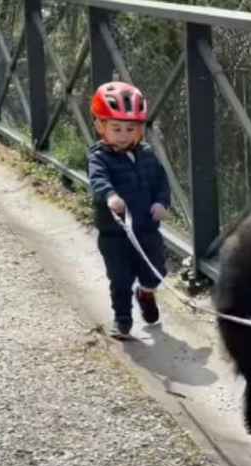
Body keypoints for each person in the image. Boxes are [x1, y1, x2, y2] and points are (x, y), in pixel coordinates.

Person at [88, 81, 169, 338]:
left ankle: (146, 292)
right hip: (115, 234)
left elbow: (161, 181)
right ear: (101, 126)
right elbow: (98, 180)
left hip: (146, 229)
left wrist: (161, 203)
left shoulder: (146, 154)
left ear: (140, 129)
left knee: (156, 270)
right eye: (116, 128)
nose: (123, 135)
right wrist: (110, 195)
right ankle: (122, 319)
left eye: (130, 128)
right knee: (120, 279)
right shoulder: (99, 157)